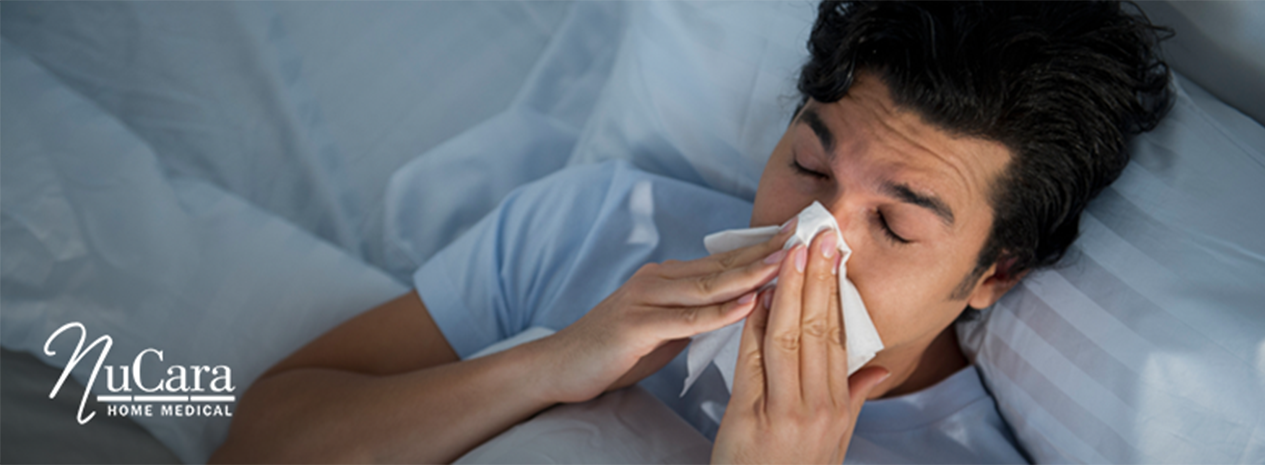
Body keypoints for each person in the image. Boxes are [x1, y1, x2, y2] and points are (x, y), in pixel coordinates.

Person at [212, 0, 1171, 463]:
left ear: (994, 272)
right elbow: (258, 444)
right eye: (808, 164)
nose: (810, 238)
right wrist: (551, 363)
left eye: (892, 223)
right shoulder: (600, 222)